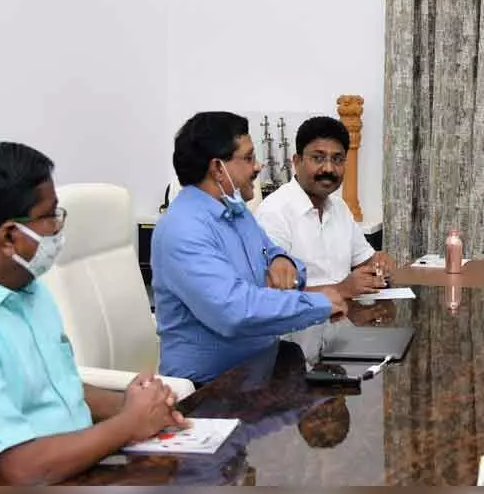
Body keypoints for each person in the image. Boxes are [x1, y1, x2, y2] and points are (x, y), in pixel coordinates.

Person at [0, 142, 186, 485]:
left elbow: (60, 388)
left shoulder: (30, 290)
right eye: (50, 216)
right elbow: (16, 470)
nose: (60, 227)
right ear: (8, 237)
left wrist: (132, 403)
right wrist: (127, 425)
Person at [152, 112, 346, 385]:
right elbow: (236, 312)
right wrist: (320, 302)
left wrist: (281, 259)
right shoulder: (183, 229)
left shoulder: (237, 211)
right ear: (217, 168)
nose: (258, 167)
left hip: (261, 369)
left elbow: (292, 267)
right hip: (208, 389)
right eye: (248, 158)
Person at [256, 116, 395, 298]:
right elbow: (272, 293)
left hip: (344, 320)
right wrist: (341, 290)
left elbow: (365, 261)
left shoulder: (339, 207)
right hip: (298, 324)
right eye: (318, 158)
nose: (328, 168)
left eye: (337, 159)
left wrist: (380, 262)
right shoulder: (274, 212)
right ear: (297, 161)